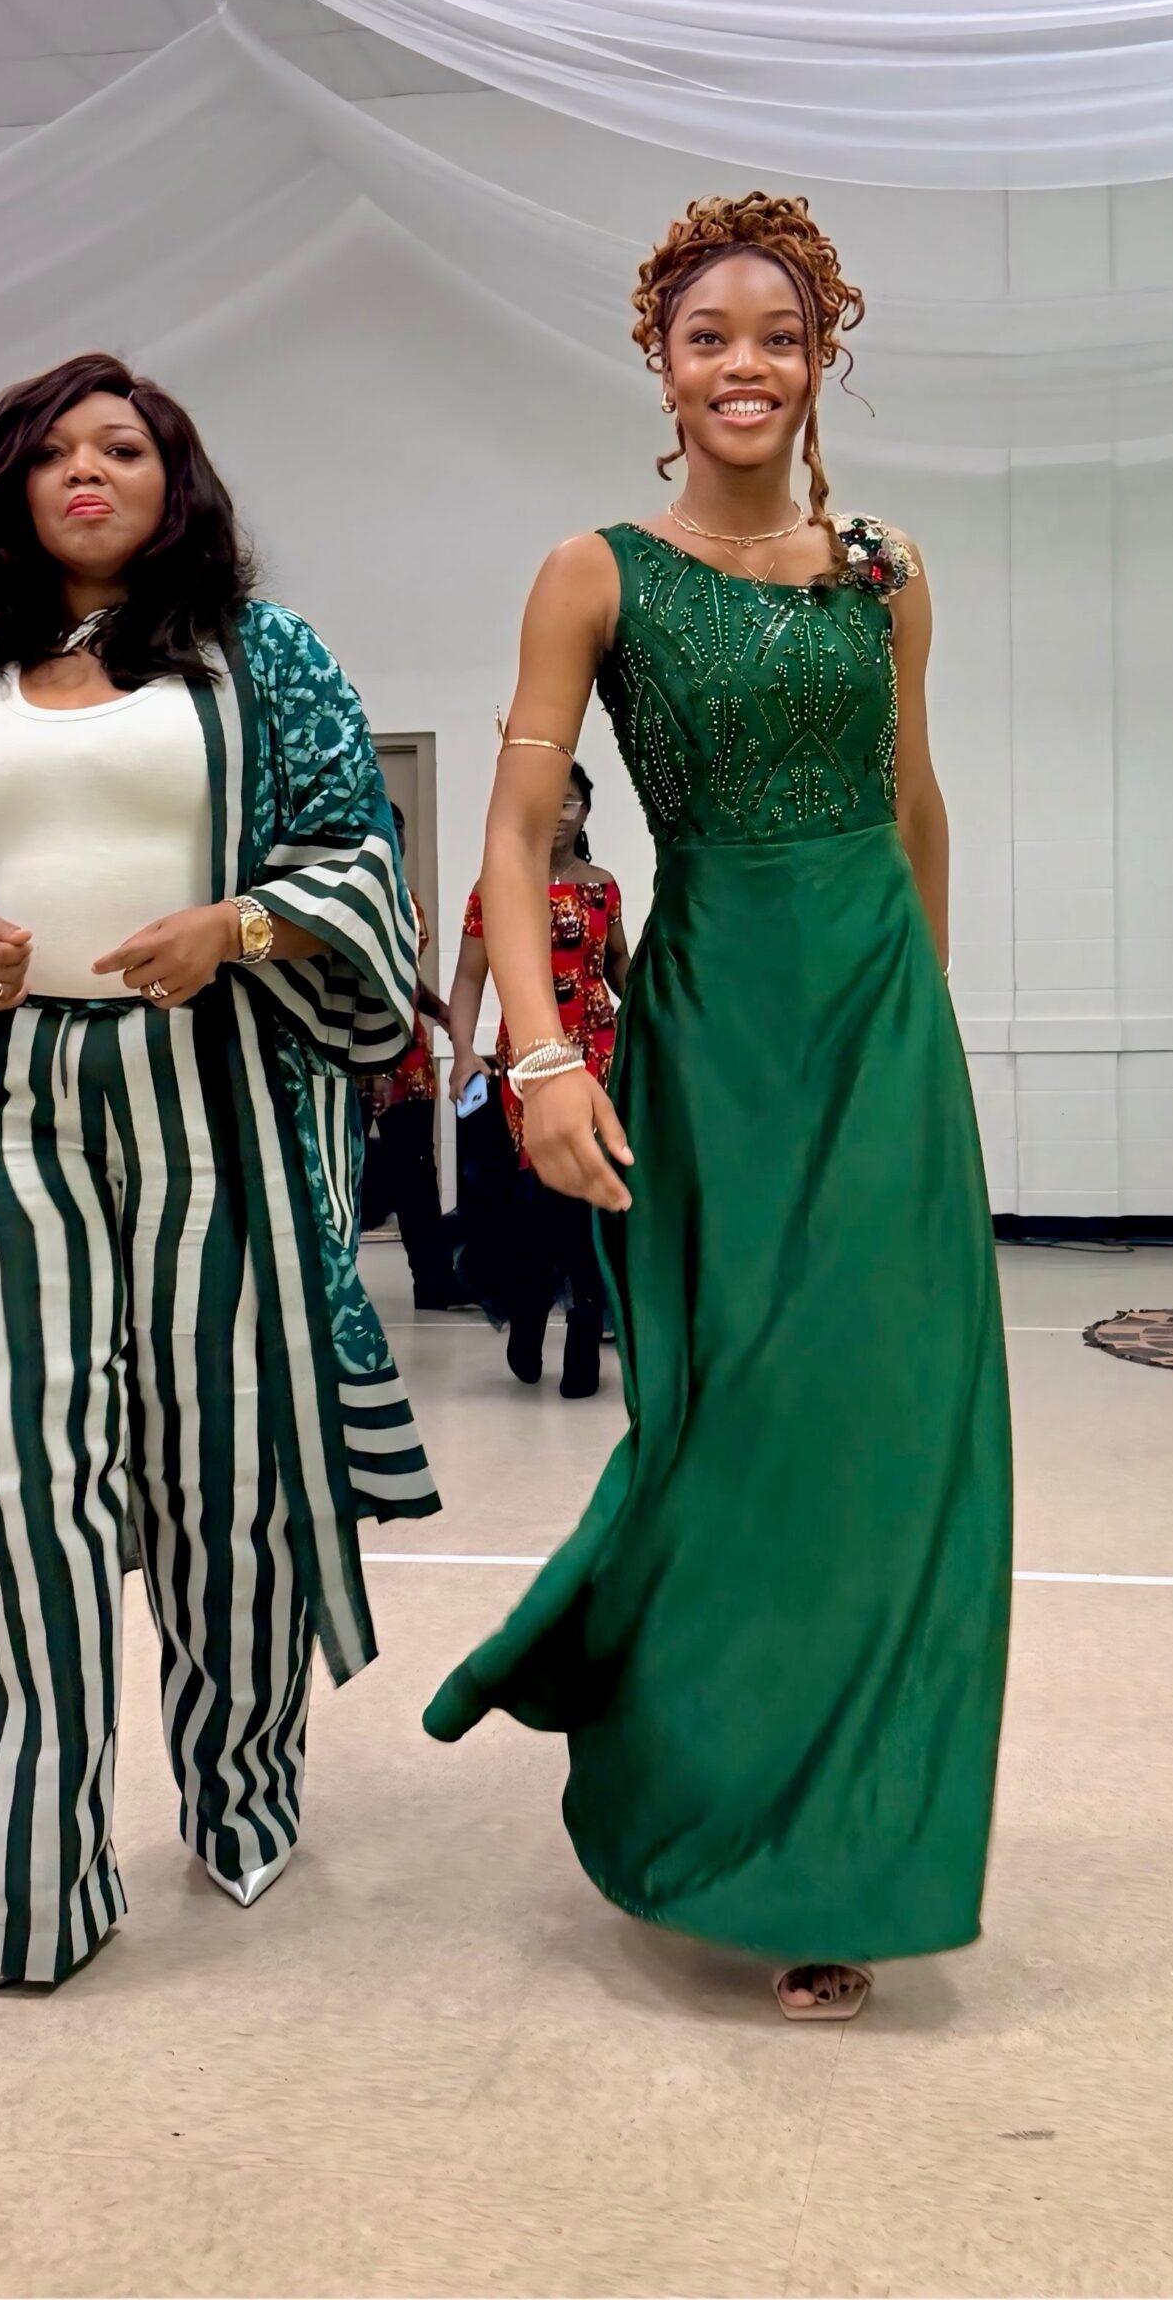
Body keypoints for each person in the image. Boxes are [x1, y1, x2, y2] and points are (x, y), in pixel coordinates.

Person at [0, 354, 438, 2018]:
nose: (86, 471)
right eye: (52, 451)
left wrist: (242, 925)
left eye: (121, 447)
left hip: (218, 1100)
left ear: (172, 476)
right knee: (16, 1488)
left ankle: (242, 1789)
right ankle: (41, 1882)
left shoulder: (264, 653)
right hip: (10, 1109)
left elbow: (358, 850)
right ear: (12, 487)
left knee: (226, 1470)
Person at [424, 195, 1013, 2022]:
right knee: (730, 1424)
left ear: (822, 359)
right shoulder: (595, 572)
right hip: (713, 1035)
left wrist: (924, 1027)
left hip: (882, 1035)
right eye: (710, 336)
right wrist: (539, 1057)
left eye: (779, 333)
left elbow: (915, 806)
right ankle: (695, 1789)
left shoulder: (887, 570)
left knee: (896, 1442)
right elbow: (518, 832)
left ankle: (845, 1863)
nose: (745, 363)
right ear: (662, 367)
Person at [445, 761, 629, 1396]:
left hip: (599, 1057)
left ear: (586, 810)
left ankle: (584, 1329)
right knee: (539, 1197)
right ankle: (528, 1310)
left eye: (569, 801)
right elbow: (469, 977)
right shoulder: (495, 888)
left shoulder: (603, 889)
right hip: (529, 1062)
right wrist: (462, 1051)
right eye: (547, 799)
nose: (557, 812)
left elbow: (619, 968)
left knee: (588, 1198)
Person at [363, 803, 471, 1312]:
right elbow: (366, 984)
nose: (396, 836)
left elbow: (403, 980)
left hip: (411, 1059)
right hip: (361, 1060)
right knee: (345, 1173)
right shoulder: (356, 897)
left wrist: (443, 1012)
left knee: (417, 1175)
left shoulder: (406, 898)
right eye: (385, 826)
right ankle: (330, 1288)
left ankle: (432, 1282)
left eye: (401, 827)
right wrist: (377, 1069)